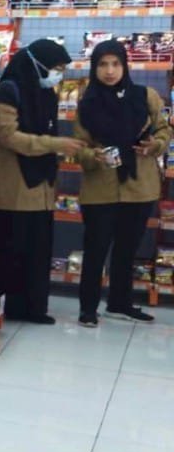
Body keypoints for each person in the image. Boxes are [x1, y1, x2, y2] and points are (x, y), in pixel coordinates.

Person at [0, 39, 84, 324]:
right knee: (12, 248)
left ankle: (33, 308)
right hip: (14, 185)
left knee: (37, 248)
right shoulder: (9, 89)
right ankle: (6, 307)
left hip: (42, 183)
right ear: (37, 63)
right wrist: (54, 144)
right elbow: (8, 136)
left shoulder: (46, 93)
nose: (58, 75)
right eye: (55, 68)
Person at [73, 40, 168, 326]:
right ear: (94, 68)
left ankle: (119, 304)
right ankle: (88, 309)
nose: (110, 71)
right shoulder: (87, 103)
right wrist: (93, 156)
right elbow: (79, 147)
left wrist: (155, 145)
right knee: (96, 250)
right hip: (100, 189)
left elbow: (164, 129)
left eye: (116, 64)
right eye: (103, 64)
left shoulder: (146, 96)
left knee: (127, 250)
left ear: (125, 66)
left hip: (139, 187)